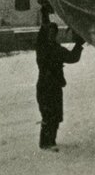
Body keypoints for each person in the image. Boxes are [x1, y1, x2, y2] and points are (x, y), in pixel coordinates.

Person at [35, 12, 85, 151]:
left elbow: (72, 57)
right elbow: (43, 29)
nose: (51, 35)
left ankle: (51, 141)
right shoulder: (42, 47)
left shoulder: (57, 49)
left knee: (56, 116)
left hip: (55, 86)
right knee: (47, 114)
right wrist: (44, 11)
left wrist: (79, 44)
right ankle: (45, 143)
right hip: (45, 86)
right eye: (49, 32)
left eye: (53, 33)